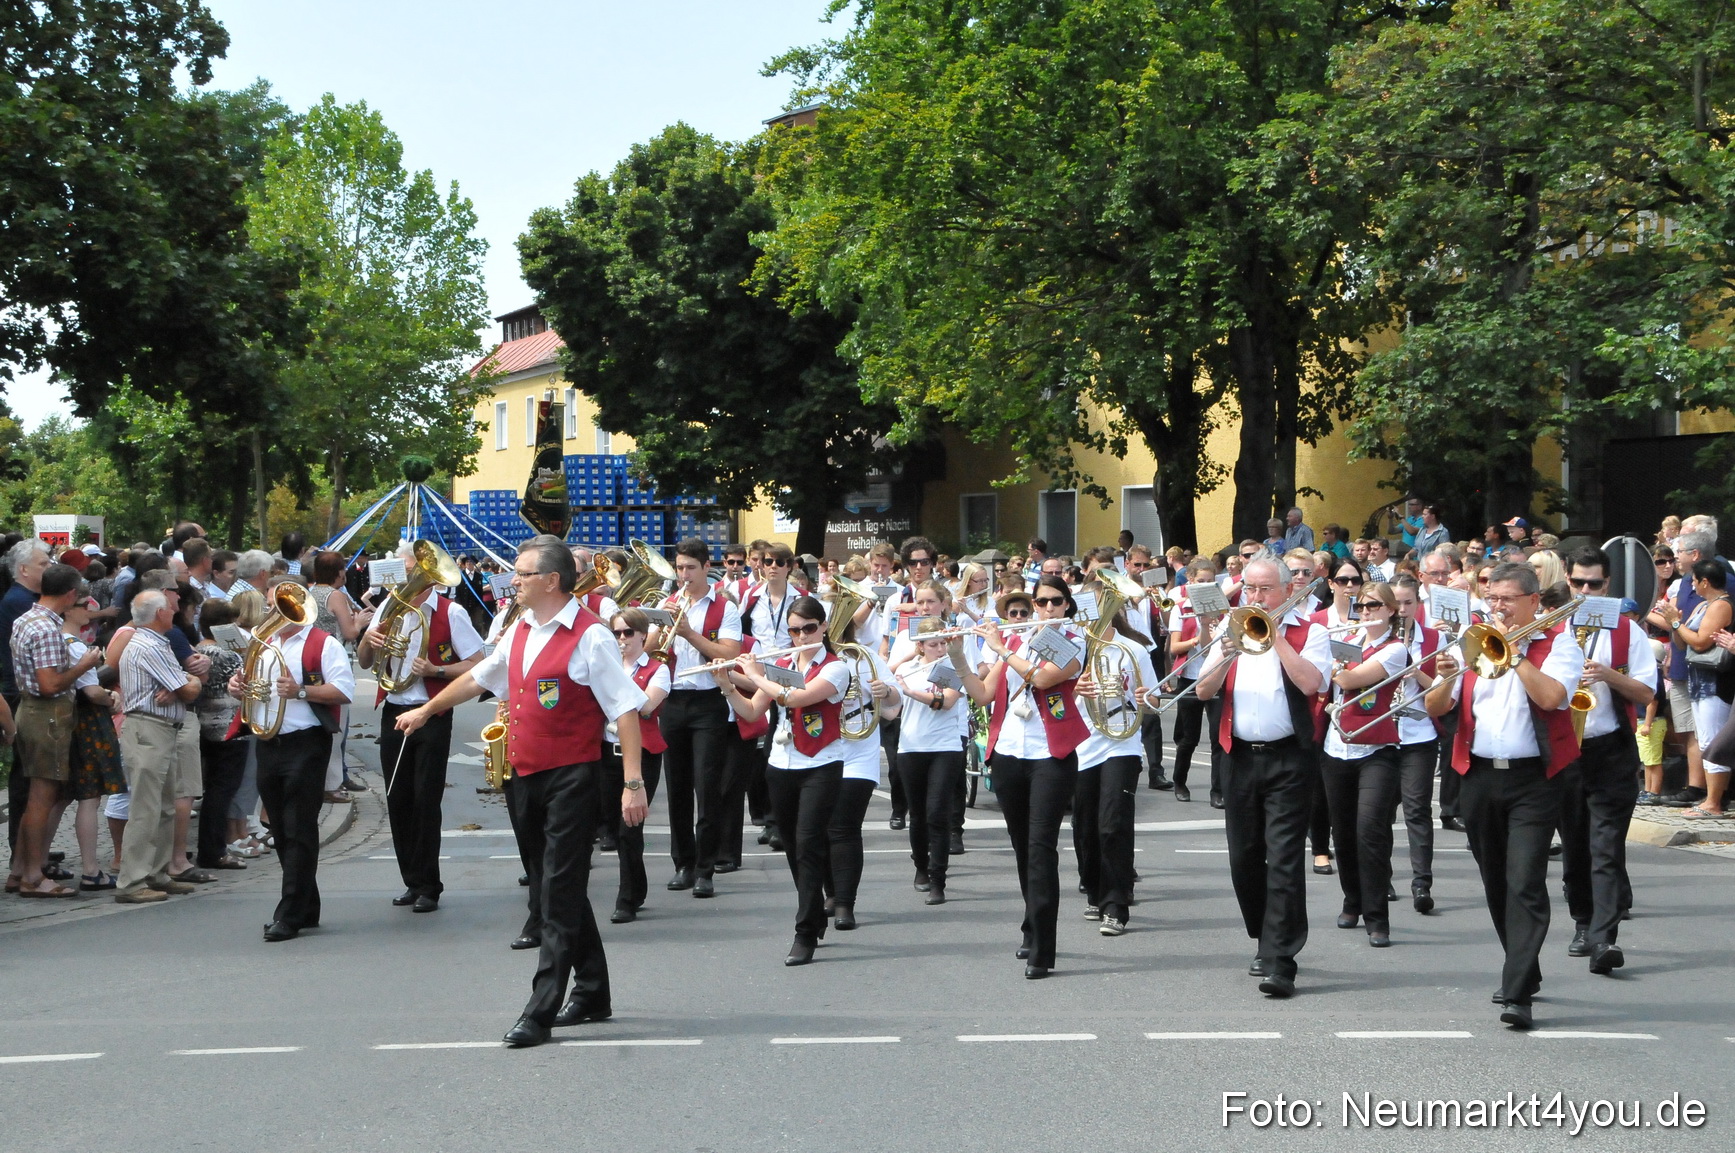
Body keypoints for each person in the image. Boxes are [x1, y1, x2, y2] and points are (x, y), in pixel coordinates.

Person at [395, 536, 647, 1047]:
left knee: (555, 890)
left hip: (574, 775)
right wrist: (427, 709)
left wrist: (632, 784)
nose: (513, 580)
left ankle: (541, 1009)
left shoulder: (591, 636)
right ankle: (594, 991)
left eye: (522, 573)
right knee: (552, 883)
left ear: (550, 581)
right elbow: (482, 679)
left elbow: (624, 710)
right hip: (525, 772)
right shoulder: (519, 628)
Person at [1424, 562, 1583, 1029]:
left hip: (1534, 780)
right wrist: (1447, 676)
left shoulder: (1560, 644)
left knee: (1525, 879)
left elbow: (1553, 698)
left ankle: (1516, 993)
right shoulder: (1472, 640)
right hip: (1477, 778)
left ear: (1534, 602)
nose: (1498, 607)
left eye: (1508, 599)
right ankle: (1524, 968)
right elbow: (1437, 709)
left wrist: (1515, 655)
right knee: (1496, 880)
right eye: (1492, 598)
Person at [1193, 558, 1331, 998]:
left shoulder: (1312, 631)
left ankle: (1281, 958)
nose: (1255, 599)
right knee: (1244, 859)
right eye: (1249, 590)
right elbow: (1202, 692)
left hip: (1289, 758)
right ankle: (1264, 935)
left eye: (1265, 590)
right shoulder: (1229, 629)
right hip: (1238, 758)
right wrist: (1226, 651)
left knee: (1286, 858)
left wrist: (1276, 640)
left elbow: (1311, 685)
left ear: (1288, 591)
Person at [960, 575, 1087, 979]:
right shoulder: (1016, 639)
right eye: (1041, 602)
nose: (1047, 609)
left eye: (1055, 602)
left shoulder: (1073, 639)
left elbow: (1046, 677)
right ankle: (1032, 924)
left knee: (1040, 847)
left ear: (1066, 605)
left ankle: (1043, 949)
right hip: (1010, 754)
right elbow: (983, 694)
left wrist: (1000, 647)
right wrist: (958, 659)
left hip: (1051, 755)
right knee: (1021, 846)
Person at [717, 596, 852, 966]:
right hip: (780, 763)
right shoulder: (781, 664)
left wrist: (757, 673)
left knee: (808, 842)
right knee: (793, 847)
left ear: (823, 627)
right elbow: (752, 710)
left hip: (822, 763)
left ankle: (805, 930)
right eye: (794, 630)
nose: (800, 636)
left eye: (809, 628)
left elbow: (798, 698)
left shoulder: (837, 667)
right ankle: (815, 907)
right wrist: (728, 683)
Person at [224, 579, 355, 941]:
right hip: (269, 740)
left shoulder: (323, 644)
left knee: (298, 827)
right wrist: (237, 687)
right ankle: (306, 905)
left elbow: (343, 691)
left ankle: (290, 913)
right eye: (269, 605)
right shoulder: (263, 645)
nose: (270, 612)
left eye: (275, 606)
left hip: (306, 743)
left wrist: (300, 690)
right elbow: (252, 687)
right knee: (280, 829)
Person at [358, 552, 484, 913]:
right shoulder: (387, 607)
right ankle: (411, 880)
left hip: (431, 713)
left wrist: (435, 670)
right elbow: (367, 661)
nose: (402, 577)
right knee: (398, 799)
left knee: (426, 801)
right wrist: (370, 640)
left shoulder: (451, 612)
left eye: (409, 570)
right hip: (395, 711)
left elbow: (477, 665)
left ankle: (430, 884)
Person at [1557, 549, 1657, 975]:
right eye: (1578, 582)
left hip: (1610, 748)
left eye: (1594, 584)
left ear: (1608, 585)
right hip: (1564, 749)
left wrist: (1607, 674)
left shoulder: (1626, 631)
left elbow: (1647, 693)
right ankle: (1583, 919)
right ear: (1566, 578)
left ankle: (1603, 938)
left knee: (1606, 847)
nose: (1584, 591)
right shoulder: (1552, 626)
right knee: (1576, 844)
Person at [1318, 581, 1406, 947]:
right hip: (1336, 746)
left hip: (1377, 748)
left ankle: (1377, 917)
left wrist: (1332, 655)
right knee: (1342, 831)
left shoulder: (1396, 648)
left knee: (1370, 830)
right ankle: (1351, 900)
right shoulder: (1348, 638)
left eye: (1372, 606)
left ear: (1390, 610)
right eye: (1361, 607)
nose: (1365, 612)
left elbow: (1351, 678)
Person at [659, 539, 743, 897]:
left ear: (707, 567)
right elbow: (651, 648)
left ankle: (706, 868)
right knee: (676, 788)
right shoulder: (667, 603)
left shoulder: (725, 609)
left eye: (690, 568)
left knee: (707, 787)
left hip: (708, 702)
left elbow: (729, 654)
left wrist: (689, 633)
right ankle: (683, 864)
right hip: (673, 700)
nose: (683, 575)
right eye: (679, 568)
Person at [1071, 593, 1156, 936]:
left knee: (1113, 823)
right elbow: (1053, 697)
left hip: (1122, 743)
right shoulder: (1075, 651)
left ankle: (1116, 905)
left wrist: (1145, 698)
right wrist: (1076, 689)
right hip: (1082, 745)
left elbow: (1153, 698)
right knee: (1085, 826)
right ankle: (1095, 890)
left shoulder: (1132, 650)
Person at [115, 589, 206, 904]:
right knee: (146, 807)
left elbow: (183, 684)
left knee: (165, 806)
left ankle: (157, 873)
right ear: (158, 614)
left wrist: (181, 685)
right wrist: (185, 684)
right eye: (169, 607)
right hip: (148, 730)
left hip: (162, 729)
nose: (174, 610)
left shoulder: (156, 642)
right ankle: (132, 881)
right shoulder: (148, 646)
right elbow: (189, 688)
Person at [7, 563, 89, 897]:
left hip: (31, 712)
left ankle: (19, 871)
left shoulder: (27, 618)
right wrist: (83, 666)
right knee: (41, 799)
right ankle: (32, 875)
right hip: (47, 716)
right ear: (70, 594)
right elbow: (49, 683)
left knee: (35, 798)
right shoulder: (45, 628)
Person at [1651, 559, 1732, 818]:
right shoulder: (1702, 605)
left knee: (1711, 739)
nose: (1692, 585)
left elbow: (1698, 642)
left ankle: (1714, 801)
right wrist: (1675, 622)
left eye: (1695, 580)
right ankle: (1711, 797)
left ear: (1706, 581)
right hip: (1697, 681)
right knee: (1703, 738)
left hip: (1715, 683)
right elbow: (1683, 642)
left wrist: (1676, 624)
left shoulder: (1721, 606)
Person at [603, 608, 669, 924]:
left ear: (644, 635)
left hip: (644, 754)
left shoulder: (659, 670)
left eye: (628, 632)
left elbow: (645, 706)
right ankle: (637, 887)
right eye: (616, 633)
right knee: (611, 828)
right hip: (605, 753)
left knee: (630, 826)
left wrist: (612, 676)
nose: (622, 639)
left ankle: (627, 898)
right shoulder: (605, 666)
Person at [894, 619, 966, 907]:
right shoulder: (906, 669)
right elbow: (888, 700)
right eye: (932, 644)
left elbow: (945, 702)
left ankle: (938, 879)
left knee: (938, 813)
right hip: (910, 746)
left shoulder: (952, 668)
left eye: (942, 643)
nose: (939, 649)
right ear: (920, 645)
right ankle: (920, 867)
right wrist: (897, 679)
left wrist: (910, 692)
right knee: (918, 814)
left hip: (945, 747)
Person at [1389, 575, 1449, 912]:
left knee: (1417, 810)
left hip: (1419, 733)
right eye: (1395, 603)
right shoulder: (1375, 638)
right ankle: (1380, 876)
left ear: (1418, 604)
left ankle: (1421, 883)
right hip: (1384, 734)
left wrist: (1416, 672)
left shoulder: (1435, 639)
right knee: (1381, 811)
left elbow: (1445, 688)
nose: (1401, 609)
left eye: (1408, 603)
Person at [2, 537, 49, 865]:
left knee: (30, 775)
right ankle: (22, 853)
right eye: (43, 564)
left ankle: (29, 849)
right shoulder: (20, 601)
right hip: (19, 692)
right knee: (26, 777)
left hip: (19, 690)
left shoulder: (26, 598)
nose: (48, 568)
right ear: (23, 569)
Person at [191, 600, 248, 873]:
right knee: (221, 791)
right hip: (229, 728)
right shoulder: (228, 655)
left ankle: (211, 847)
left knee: (211, 789)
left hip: (203, 724)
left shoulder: (197, 650)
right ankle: (213, 850)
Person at [1166, 557, 1227, 805]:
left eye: (1210, 582)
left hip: (1215, 678)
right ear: (1190, 581)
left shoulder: (1222, 610)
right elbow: (1174, 647)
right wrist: (1199, 633)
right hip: (1190, 677)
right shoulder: (1180, 609)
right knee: (1188, 738)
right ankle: (1180, 782)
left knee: (1217, 738)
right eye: (1200, 581)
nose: (1204, 586)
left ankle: (1217, 791)